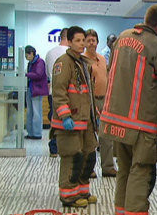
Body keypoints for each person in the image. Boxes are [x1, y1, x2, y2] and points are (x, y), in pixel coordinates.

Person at [99, 4, 157, 215]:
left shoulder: (122, 39)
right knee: (140, 171)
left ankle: (121, 211)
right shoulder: (156, 45)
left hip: (116, 120)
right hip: (141, 124)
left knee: (124, 169)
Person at [51, 26, 99, 207]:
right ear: (69, 42)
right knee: (72, 157)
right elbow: (59, 92)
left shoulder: (83, 63)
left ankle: (82, 191)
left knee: (88, 157)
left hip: (86, 122)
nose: (81, 44)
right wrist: (65, 116)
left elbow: (87, 94)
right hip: (69, 122)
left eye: (83, 40)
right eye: (77, 41)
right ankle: (68, 196)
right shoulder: (63, 63)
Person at [84, 29, 117, 178]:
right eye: (89, 40)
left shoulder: (102, 59)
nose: (91, 43)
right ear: (85, 42)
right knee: (90, 137)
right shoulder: (82, 60)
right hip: (90, 101)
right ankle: (89, 168)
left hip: (105, 99)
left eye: (94, 40)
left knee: (107, 136)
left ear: (98, 42)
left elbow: (108, 77)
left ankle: (108, 167)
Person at [45, 28, 69, 157]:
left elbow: (47, 74)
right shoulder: (69, 54)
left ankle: (53, 148)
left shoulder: (50, 53)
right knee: (66, 119)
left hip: (52, 92)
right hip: (66, 93)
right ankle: (65, 147)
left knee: (54, 119)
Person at [25, 45, 49, 140]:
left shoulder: (40, 62)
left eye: (27, 55)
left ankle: (37, 133)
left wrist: (26, 74)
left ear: (32, 53)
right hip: (30, 89)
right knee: (30, 112)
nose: (27, 58)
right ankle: (30, 132)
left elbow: (38, 74)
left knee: (36, 112)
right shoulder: (30, 63)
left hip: (37, 90)